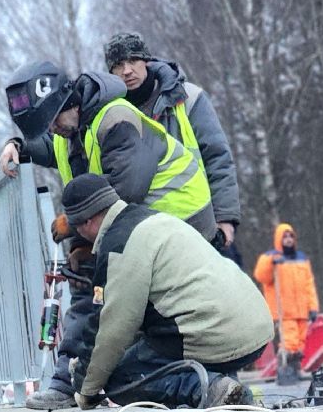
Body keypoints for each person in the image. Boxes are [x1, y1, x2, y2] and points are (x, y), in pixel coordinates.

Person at [0, 62, 215, 410]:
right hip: (139, 219)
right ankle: (72, 380)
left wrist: (73, 224)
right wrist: (17, 146)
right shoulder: (67, 133)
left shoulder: (115, 119)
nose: (52, 130)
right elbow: (42, 147)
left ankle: (191, 382)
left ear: (67, 101)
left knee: (130, 302)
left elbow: (127, 188)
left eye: (53, 120)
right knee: (86, 276)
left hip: (181, 216)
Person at [59, 174, 271, 409]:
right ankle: (230, 389)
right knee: (158, 342)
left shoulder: (119, 245)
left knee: (121, 378)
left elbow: (112, 329)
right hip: (254, 328)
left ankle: (209, 388)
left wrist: (85, 388)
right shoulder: (155, 220)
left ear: (85, 222)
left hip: (213, 334)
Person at [103, 32, 241, 250]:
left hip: (200, 225)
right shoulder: (110, 115)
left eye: (133, 60)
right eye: (118, 65)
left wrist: (225, 216)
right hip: (145, 237)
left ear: (146, 60)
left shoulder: (188, 98)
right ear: (110, 72)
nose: (127, 70)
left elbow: (217, 157)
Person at [253, 223, 320, 384]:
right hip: (284, 311)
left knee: (300, 343)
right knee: (289, 342)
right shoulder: (270, 259)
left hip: (302, 310)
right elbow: (261, 277)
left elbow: (309, 284)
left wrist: (313, 306)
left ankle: (295, 369)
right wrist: (270, 261)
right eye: (285, 236)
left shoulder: (302, 259)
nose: (289, 239)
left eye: (291, 236)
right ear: (278, 239)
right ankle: (287, 370)